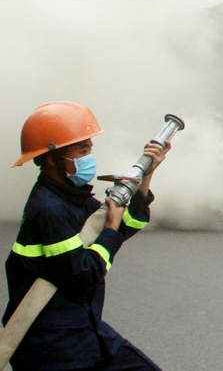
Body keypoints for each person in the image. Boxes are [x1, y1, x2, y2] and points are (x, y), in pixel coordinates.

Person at [3, 102, 170, 371]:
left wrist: (146, 176)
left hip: (83, 332)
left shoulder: (71, 198)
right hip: (53, 348)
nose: (90, 153)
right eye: (82, 149)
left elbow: (128, 223)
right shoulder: (49, 210)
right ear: (52, 157)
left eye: (90, 146)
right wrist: (111, 230)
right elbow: (82, 275)